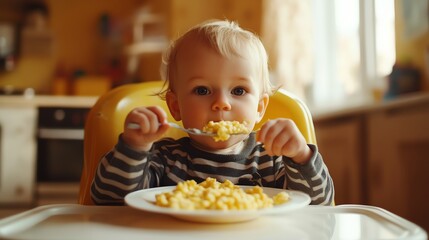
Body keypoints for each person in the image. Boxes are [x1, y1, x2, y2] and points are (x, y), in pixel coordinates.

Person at [91, 19, 334, 206]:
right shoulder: (164, 159)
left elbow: (318, 204)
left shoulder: (271, 159)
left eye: (238, 90)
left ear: (260, 108)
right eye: (202, 90)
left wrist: (301, 156)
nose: (221, 103)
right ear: (176, 107)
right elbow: (108, 199)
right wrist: (134, 147)